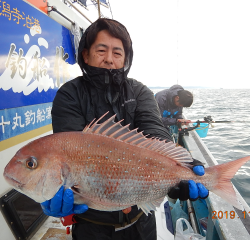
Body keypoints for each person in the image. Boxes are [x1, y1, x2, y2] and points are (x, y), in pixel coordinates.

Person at [41, 18, 208, 240]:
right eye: (101, 50)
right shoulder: (70, 95)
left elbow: (154, 130)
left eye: (117, 53)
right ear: (85, 54)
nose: (109, 58)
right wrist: (54, 190)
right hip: (92, 227)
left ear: (125, 58)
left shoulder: (140, 92)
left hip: (142, 223)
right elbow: (70, 150)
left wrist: (182, 166)